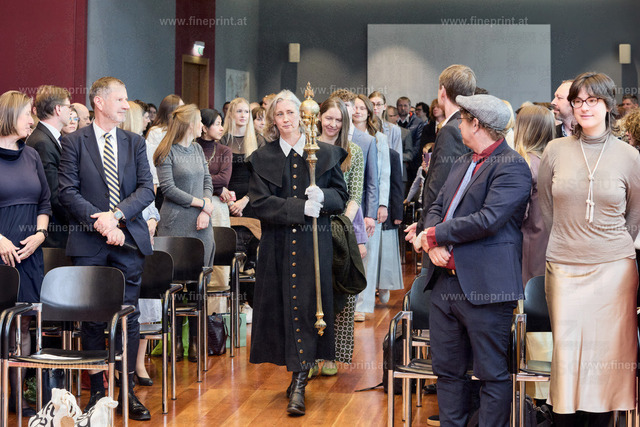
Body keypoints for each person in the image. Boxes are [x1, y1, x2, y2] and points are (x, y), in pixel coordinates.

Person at [419, 94, 531, 426]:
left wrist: (434, 235)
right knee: (447, 373)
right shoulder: (462, 162)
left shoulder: (512, 166)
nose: (458, 126)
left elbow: (488, 220)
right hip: (445, 285)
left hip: (487, 288)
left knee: (492, 375)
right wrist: (432, 241)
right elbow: (435, 207)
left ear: (476, 124)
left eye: (463, 120)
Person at [538, 72, 640, 426]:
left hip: (614, 272)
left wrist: (606, 245)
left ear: (608, 104)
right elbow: (547, 208)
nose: (584, 107)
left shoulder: (629, 156)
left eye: (592, 100)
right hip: (564, 267)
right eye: (578, 101)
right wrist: (572, 239)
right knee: (568, 360)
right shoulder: (555, 150)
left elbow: (634, 217)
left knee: (607, 363)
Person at [59, 76, 154, 421]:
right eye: (120, 99)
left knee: (129, 316)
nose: (127, 105)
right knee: (92, 319)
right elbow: (67, 191)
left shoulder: (135, 142)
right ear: (99, 102)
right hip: (89, 242)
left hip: (128, 240)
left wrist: (115, 217)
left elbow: (147, 189)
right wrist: (100, 223)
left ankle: (126, 390)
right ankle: (98, 392)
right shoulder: (74, 142)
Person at [247, 89, 348, 416]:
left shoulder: (325, 153)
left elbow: (341, 197)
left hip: (312, 246)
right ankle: (295, 377)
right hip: (276, 248)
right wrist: (299, 207)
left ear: (303, 117)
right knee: (282, 310)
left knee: (308, 308)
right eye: (279, 114)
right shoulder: (262, 157)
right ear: (273, 120)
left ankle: (300, 383)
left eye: (291, 112)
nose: (286, 119)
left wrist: (323, 198)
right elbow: (259, 203)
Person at [0, 90, 51, 417]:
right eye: (26, 114)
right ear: (8, 115)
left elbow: (45, 202)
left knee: (24, 326)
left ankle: (19, 397)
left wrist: (40, 234)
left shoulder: (31, 155)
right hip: (1, 255)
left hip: (29, 254)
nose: (32, 121)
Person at [154, 104, 215, 363]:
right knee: (177, 283)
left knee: (199, 282)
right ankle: (176, 340)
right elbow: (168, 189)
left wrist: (206, 206)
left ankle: (196, 340)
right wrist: (201, 204)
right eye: (200, 120)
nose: (203, 125)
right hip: (175, 223)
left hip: (201, 223)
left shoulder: (198, 149)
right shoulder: (166, 151)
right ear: (190, 124)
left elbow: (207, 181)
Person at [311, 97, 364, 377]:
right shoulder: (308, 147)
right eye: (328, 118)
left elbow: (355, 194)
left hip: (341, 228)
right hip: (310, 227)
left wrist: (342, 223)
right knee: (312, 293)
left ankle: (331, 354)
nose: (332, 124)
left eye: (338, 120)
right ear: (319, 117)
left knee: (341, 292)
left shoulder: (353, 151)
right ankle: (309, 355)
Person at [120, 100, 160, 386]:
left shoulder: (140, 145)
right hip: (121, 226)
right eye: (142, 117)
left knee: (141, 302)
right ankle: (118, 367)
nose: (148, 120)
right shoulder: (116, 147)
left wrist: (154, 218)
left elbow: (149, 191)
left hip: (143, 228)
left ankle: (137, 365)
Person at [27, 85, 72, 249]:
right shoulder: (42, 142)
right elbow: (53, 195)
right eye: (69, 107)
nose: (71, 112)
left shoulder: (48, 138)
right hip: (53, 233)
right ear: (58, 109)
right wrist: (80, 221)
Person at [514, 105, 555, 286]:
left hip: (528, 245)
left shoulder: (524, 163)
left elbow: (518, 214)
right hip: (548, 244)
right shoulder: (553, 162)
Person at [196, 108, 232, 292]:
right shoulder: (191, 148)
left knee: (218, 256)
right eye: (217, 124)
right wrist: (218, 188)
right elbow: (186, 180)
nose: (221, 128)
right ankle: (193, 305)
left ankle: (217, 308)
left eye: (221, 123)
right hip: (194, 205)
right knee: (196, 255)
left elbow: (224, 179)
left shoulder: (224, 151)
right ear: (204, 127)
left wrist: (216, 185)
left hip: (217, 208)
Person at [146, 94, 184, 208]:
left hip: (180, 184)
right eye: (181, 109)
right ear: (170, 113)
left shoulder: (182, 131)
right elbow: (153, 161)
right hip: (162, 185)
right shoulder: (156, 132)